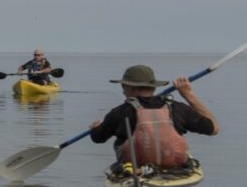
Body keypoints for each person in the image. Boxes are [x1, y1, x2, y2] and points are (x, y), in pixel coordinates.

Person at [89, 65, 217, 169]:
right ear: (153, 87)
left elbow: (97, 138)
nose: (123, 90)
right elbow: (213, 129)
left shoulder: (119, 112)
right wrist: (188, 95)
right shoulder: (177, 108)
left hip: (134, 170)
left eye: (123, 86)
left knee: (119, 145)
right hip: (174, 168)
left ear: (130, 87)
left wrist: (96, 128)